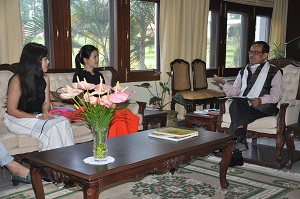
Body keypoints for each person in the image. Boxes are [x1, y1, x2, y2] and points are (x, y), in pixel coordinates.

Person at [212, 41, 283, 167]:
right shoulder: (243, 71)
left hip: (264, 107)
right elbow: (235, 91)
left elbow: (277, 95)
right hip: (245, 105)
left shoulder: (274, 72)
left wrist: (261, 100)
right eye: (250, 52)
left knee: (236, 108)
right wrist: (223, 83)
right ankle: (240, 140)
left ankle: (236, 151)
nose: (251, 55)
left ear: (265, 55)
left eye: (256, 52)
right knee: (237, 103)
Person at [4, 42, 74, 151]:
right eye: (45, 59)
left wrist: (45, 115)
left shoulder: (45, 79)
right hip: (17, 119)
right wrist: (38, 118)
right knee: (53, 127)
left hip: (37, 116)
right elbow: (12, 110)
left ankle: (67, 159)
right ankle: (51, 164)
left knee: (63, 121)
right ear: (35, 61)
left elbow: (46, 103)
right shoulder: (17, 80)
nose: (48, 62)